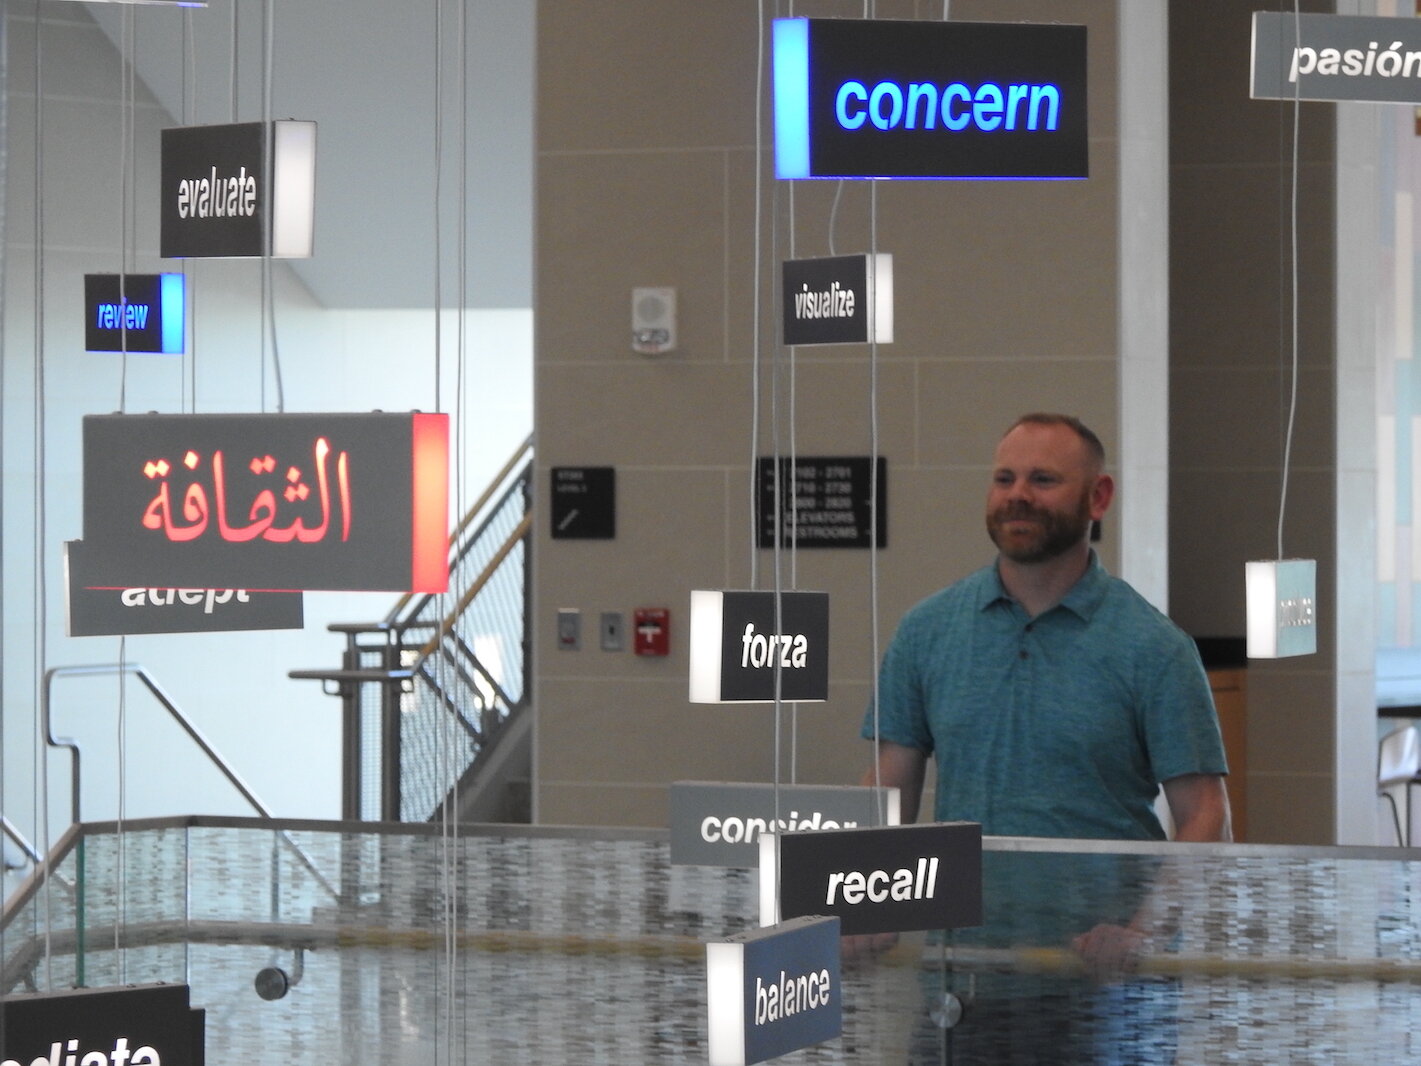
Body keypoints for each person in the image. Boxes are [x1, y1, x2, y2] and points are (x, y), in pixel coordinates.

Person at [857, 412, 1231, 1064]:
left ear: (1099, 497)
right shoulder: (926, 631)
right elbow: (887, 788)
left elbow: (1205, 815)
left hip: (1099, 991)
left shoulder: (1153, 648)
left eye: (1043, 479)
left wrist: (1142, 931)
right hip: (959, 980)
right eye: (1003, 478)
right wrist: (858, 904)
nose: (1017, 494)